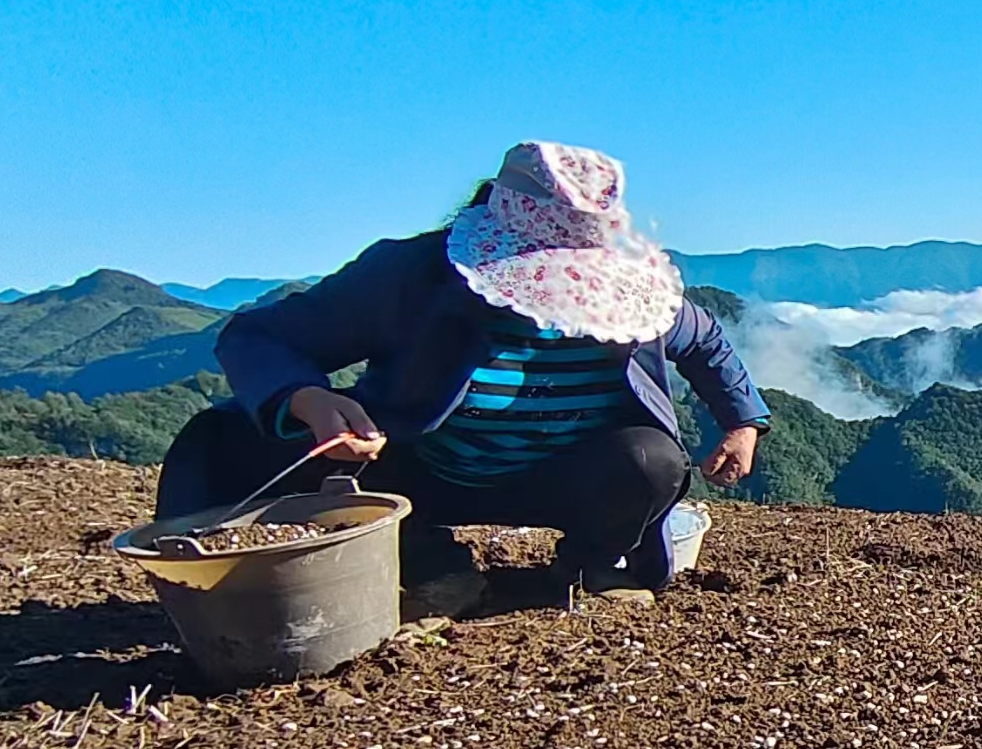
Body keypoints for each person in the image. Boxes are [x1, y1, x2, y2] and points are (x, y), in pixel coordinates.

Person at [156, 141, 769, 615]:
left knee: (650, 460)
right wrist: (309, 399)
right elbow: (259, 336)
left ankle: (591, 566)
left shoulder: (636, 306)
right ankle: (425, 562)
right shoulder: (414, 276)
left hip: (567, 480)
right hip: (418, 472)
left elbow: (706, 340)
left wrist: (743, 421)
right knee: (234, 441)